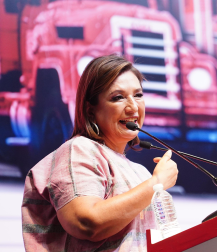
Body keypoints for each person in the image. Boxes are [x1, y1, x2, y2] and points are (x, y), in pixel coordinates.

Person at [21, 55, 178, 251]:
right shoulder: (79, 149)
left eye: (138, 95)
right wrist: (156, 184)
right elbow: (87, 223)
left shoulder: (141, 172)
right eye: (118, 97)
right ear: (90, 110)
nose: (133, 107)